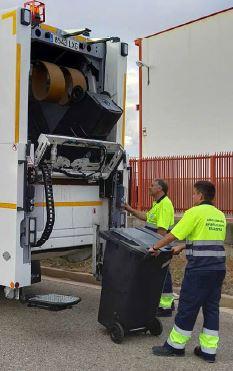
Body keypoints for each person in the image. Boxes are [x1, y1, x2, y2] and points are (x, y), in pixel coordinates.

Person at [150, 181, 226, 363]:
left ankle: (175, 346)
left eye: (193, 194)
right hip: (217, 269)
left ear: (200, 196)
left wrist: (155, 247)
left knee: (187, 307)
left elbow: (172, 235)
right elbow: (208, 240)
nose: (192, 197)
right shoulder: (219, 215)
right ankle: (208, 351)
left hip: (199, 269)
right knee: (211, 309)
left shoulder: (194, 212)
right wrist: (184, 247)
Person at [124, 179, 175, 317]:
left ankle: (165, 308)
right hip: (156, 245)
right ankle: (166, 304)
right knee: (160, 274)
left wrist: (156, 248)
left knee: (163, 275)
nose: (149, 187)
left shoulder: (165, 204)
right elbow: (147, 217)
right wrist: (131, 210)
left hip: (160, 246)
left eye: (152, 185)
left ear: (160, 189)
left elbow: (162, 231)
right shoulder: (157, 203)